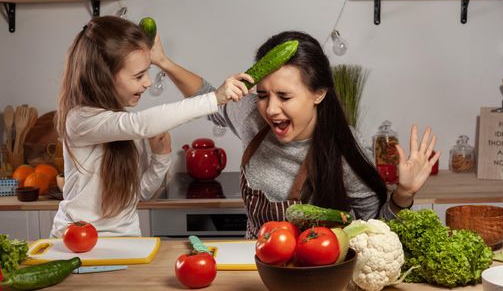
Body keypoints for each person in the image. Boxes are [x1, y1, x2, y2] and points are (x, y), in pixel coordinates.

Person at [151, 30, 441, 238]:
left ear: (318, 93)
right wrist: (163, 62)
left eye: (285, 96)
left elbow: (378, 230)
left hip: (319, 275)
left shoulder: (343, 145)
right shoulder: (252, 114)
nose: (271, 109)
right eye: (263, 94)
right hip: (256, 270)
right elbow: (210, 99)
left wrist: (403, 194)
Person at [50, 16, 251, 237]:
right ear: (103, 78)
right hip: (75, 241)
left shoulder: (123, 125)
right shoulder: (79, 120)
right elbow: (141, 124)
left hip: (126, 244)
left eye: (147, 72)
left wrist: (160, 157)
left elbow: (140, 193)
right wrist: (215, 98)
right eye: (138, 76)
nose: (147, 82)